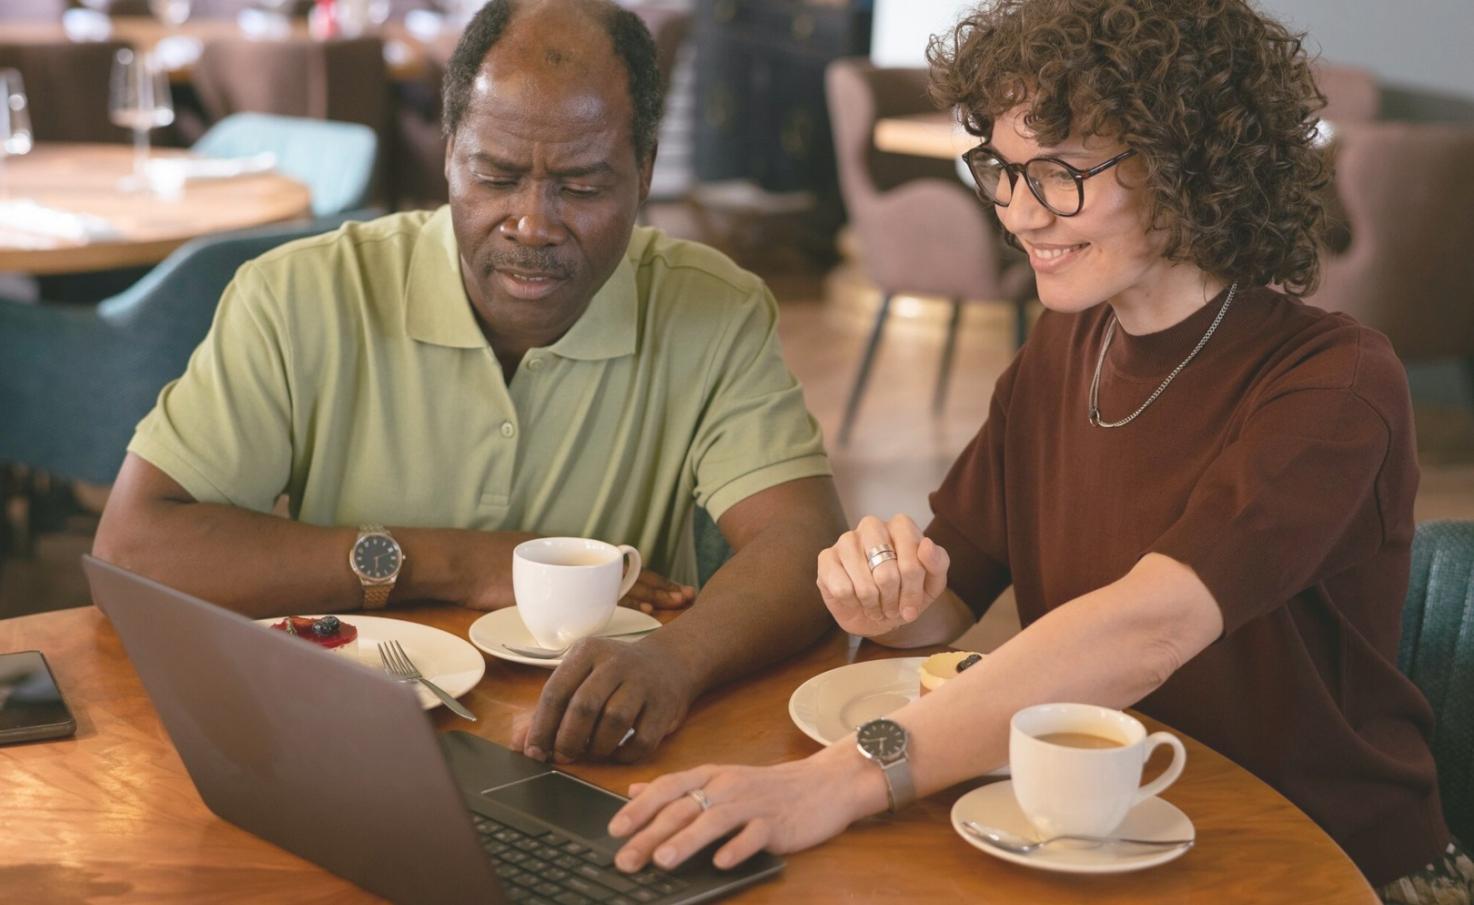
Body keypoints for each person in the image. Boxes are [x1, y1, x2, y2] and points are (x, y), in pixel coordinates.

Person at [606, 1, 1471, 901]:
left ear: (1190, 164)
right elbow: (947, 601)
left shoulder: (1333, 382)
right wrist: (881, 586)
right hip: (1102, 834)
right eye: (1002, 171)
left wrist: (846, 778)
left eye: (1058, 172)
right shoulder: (1065, 350)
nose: (1019, 212)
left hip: (1330, 862)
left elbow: (1149, 626)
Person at [92, 0, 848, 766]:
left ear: (645, 169)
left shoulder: (711, 308)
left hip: (600, 758)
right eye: (496, 176)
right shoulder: (303, 296)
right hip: (343, 738)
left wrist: (676, 659)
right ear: (449, 154)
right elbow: (134, 549)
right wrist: (460, 560)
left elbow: (803, 540)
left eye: (581, 187)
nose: (532, 223)